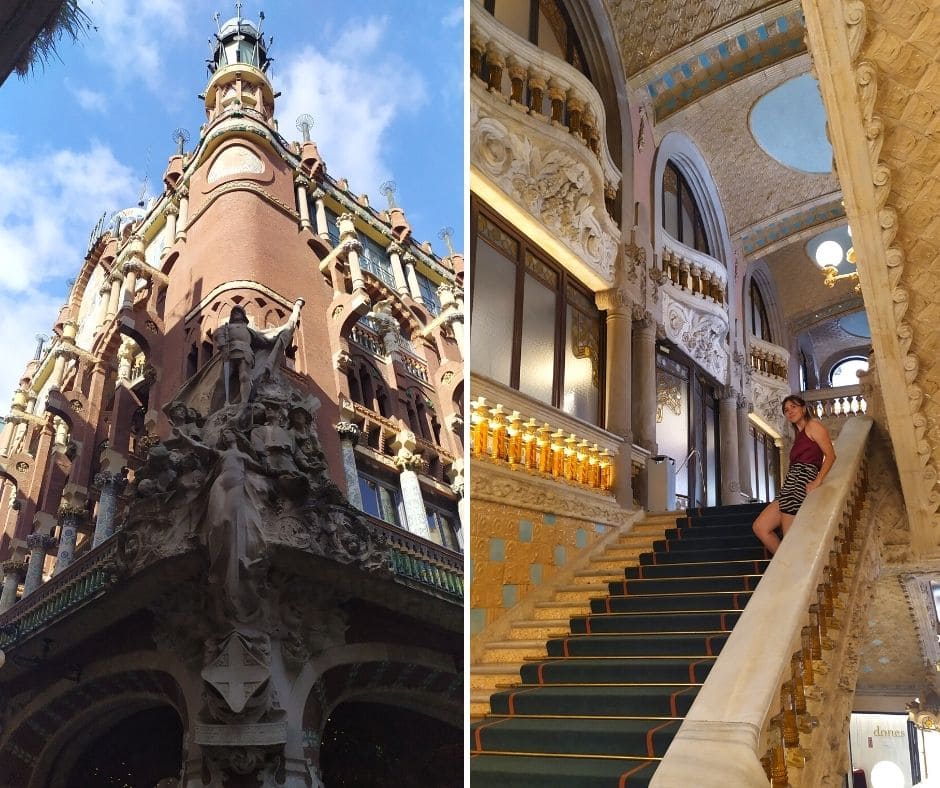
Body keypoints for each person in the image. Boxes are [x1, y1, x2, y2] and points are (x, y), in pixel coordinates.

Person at [752, 394, 836, 554]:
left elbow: (831, 455)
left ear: (804, 408)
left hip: (802, 480)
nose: (789, 411)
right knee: (760, 527)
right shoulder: (799, 435)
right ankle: (783, 565)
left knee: (789, 537)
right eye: (786, 410)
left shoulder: (813, 426)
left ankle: (790, 572)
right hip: (790, 483)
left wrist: (818, 481)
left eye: (794, 407)